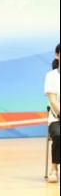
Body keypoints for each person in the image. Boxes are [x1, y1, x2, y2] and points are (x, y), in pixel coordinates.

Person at [45, 43, 59, 182]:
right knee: (59, 134)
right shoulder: (51, 76)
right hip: (56, 118)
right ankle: (54, 168)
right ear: (57, 55)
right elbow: (53, 101)